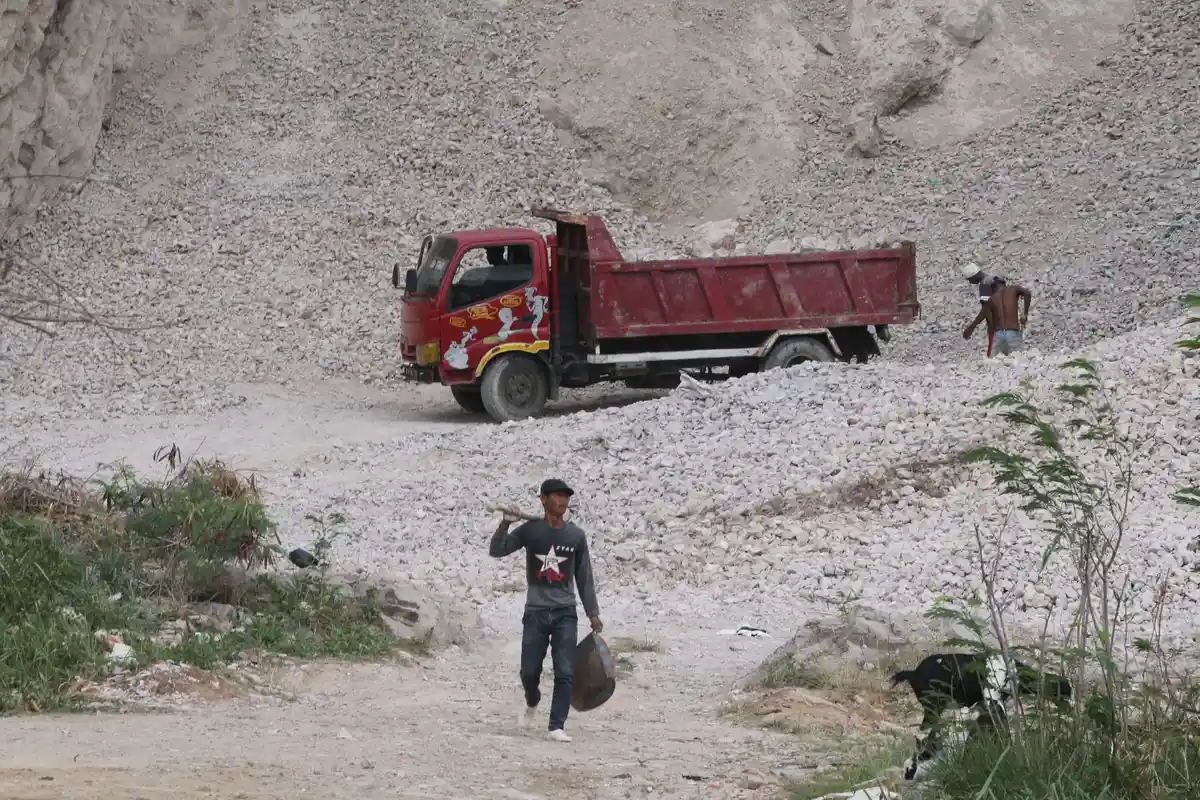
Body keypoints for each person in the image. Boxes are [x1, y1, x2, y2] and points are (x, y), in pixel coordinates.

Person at [489, 478, 602, 743]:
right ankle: (532, 700)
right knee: (529, 671)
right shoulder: (531, 531)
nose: (563, 501)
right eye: (557, 496)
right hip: (536, 612)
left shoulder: (576, 536)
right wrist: (506, 523)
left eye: (566, 497)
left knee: (565, 670)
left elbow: (584, 577)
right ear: (543, 499)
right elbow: (497, 550)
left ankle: (556, 726)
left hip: (565, 612)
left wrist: (593, 612)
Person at [963, 278, 1031, 356]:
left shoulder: (991, 299)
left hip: (998, 335)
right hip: (1013, 333)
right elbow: (1027, 293)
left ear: (993, 287)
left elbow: (982, 315)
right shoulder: (1013, 289)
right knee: (1018, 361)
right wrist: (1025, 313)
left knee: (994, 365)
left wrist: (971, 328)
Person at [961, 263, 1002, 357]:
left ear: (974, 275)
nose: (970, 283)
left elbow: (986, 309)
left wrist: (972, 327)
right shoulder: (994, 279)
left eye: (969, 279)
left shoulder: (984, 284)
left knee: (993, 355)